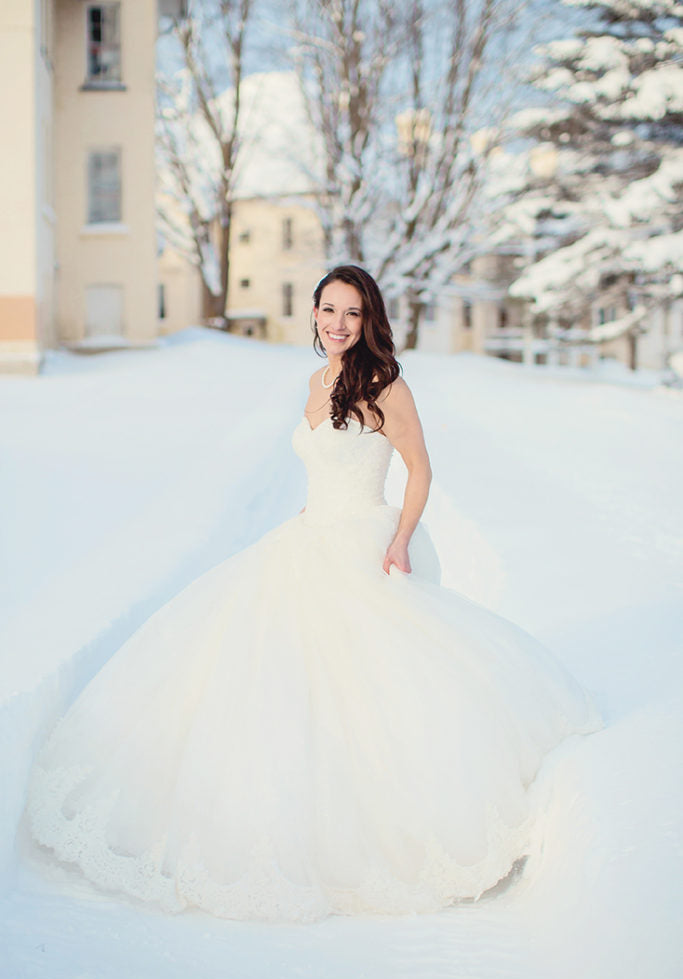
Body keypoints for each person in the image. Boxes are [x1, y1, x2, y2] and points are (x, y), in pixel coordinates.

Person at [25, 265, 600, 923]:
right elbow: (324, 462)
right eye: (328, 309)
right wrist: (307, 512)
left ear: (369, 319)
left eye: (350, 312)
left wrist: (401, 538)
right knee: (267, 677)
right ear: (315, 313)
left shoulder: (387, 384)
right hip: (309, 537)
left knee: (368, 684)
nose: (336, 323)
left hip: (365, 541)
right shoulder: (313, 382)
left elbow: (420, 470)